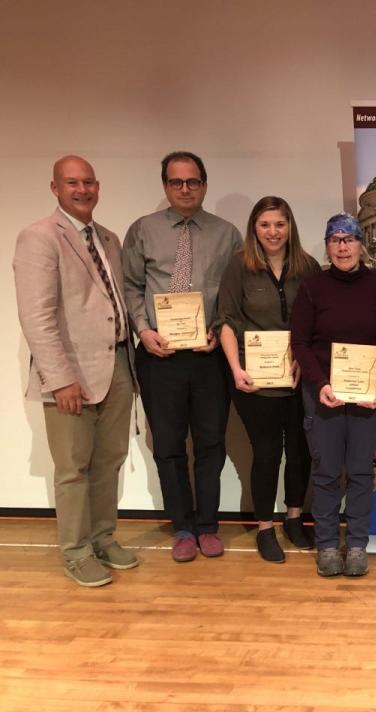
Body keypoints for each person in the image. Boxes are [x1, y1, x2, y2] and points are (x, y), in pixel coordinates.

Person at [13, 155, 137, 587]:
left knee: (110, 461)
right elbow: (37, 317)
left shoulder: (108, 238)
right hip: (72, 375)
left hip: (120, 364)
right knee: (72, 469)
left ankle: (103, 538)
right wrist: (60, 378)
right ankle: (76, 551)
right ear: (55, 188)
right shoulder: (39, 238)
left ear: (98, 186)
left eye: (88, 182)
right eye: (72, 183)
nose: (82, 190)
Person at [122, 151, 242, 563]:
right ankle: (184, 528)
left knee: (210, 443)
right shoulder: (142, 230)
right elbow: (131, 286)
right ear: (165, 186)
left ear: (204, 185)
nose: (185, 189)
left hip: (209, 357)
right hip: (160, 356)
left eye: (192, 181)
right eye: (176, 182)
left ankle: (208, 525)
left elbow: (235, 294)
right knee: (169, 446)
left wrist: (218, 329)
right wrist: (144, 330)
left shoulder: (227, 234)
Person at [290, 213, 376, 578]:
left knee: (359, 472)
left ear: (361, 244)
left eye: (349, 238)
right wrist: (320, 383)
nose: (342, 246)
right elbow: (301, 343)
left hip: (366, 396)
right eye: (335, 239)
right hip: (323, 395)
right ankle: (325, 544)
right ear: (326, 246)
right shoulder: (312, 288)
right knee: (324, 473)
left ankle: (356, 545)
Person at [216, 197, 320, 563]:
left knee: (300, 451)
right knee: (266, 453)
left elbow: (317, 322)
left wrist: (306, 362)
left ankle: (294, 518)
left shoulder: (308, 267)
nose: (273, 232)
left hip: (297, 378)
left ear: (290, 227)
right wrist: (236, 369)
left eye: (279, 224)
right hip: (253, 380)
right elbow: (225, 320)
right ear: (254, 229)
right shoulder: (239, 267)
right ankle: (264, 527)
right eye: (265, 225)